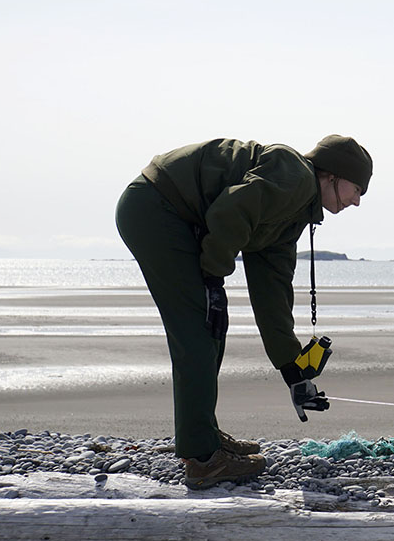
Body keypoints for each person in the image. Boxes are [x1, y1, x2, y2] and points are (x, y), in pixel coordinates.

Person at [115, 135, 372, 488]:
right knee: (198, 329)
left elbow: (273, 292)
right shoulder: (295, 176)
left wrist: (293, 371)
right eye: (356, 189)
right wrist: (211, 277)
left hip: (171, 216)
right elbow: (230, 211)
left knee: (211, 326)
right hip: (157, 207)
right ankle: (203, 459)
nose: (356, 202)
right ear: (332, 175)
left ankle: (202, 434)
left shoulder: (294, 213)